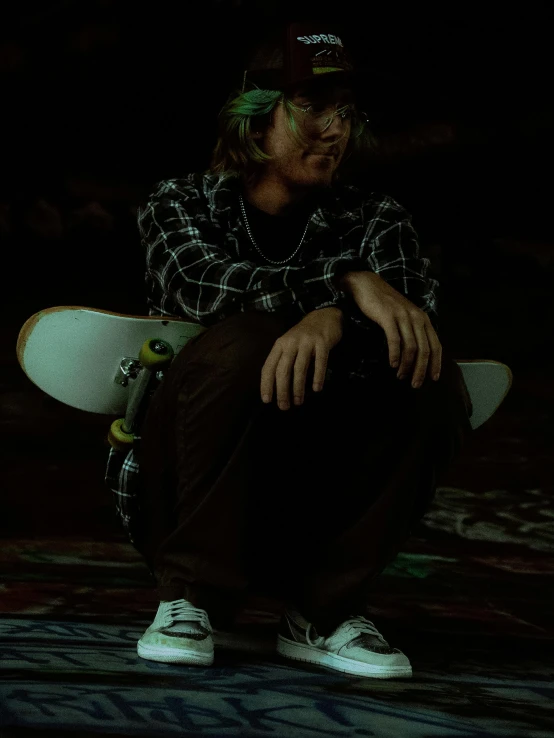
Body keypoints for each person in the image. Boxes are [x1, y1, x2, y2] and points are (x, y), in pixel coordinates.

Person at [104, 19, 473, 678]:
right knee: (246, 337)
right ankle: (190, 596)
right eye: (312, 107)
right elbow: (199, 289)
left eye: (346, 112)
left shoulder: (377, 218)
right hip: (188, 498)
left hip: (312, 499)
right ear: (255, 118)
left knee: (427, 369)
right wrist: (341, 285)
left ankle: (323, 610)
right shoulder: (184, 202)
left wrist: (335, 319)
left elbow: (416, 320)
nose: (335, 129)